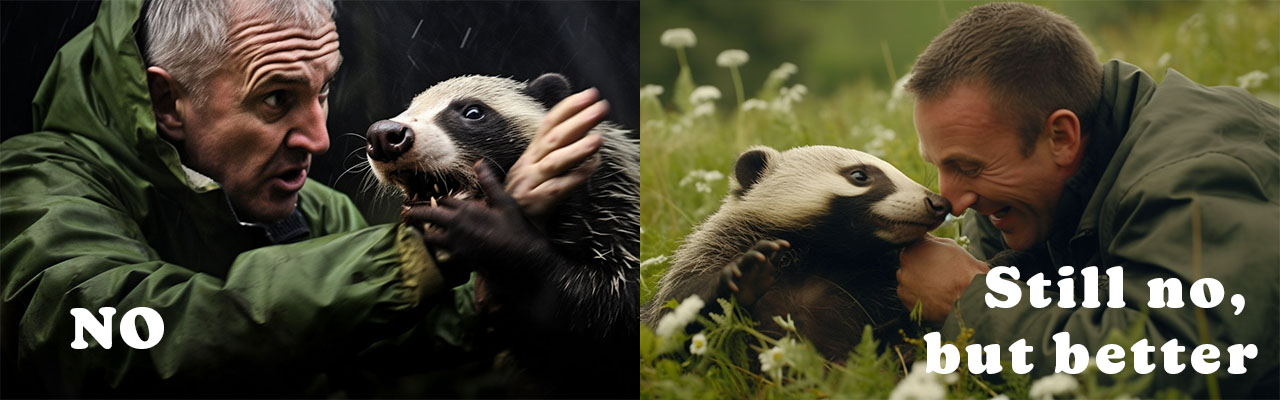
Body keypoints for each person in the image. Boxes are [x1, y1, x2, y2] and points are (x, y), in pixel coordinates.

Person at [0, 0, 608, 396]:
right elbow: (112, 336)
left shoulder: (314, 214)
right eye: (275, 99)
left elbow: (392, 348)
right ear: (168, 103)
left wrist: (509, 269)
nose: (319, 139)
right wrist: (430, 248)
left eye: (322, 93)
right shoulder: (34, 188)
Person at [894, 2, 1278, 397]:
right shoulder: (1021, 205)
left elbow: (1183, 362)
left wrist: (968, 300)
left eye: (969, 167)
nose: (951, 202)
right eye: (938, 166)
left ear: (1061, 137)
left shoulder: (1197, 177)